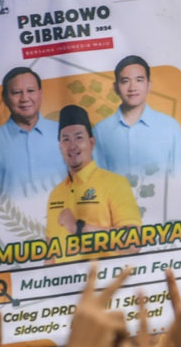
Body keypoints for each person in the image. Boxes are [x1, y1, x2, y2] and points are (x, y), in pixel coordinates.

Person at [46, 105, 142, 264]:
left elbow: (133, 242)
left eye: (78, 137)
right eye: (65, 139)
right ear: (60, 146)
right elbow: (51, 255)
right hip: (68, 286)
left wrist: (79, 228)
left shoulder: (115, 184)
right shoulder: (56, 194)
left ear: (91, 142)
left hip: (105, 284)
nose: (72, 145)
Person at [93, 55, 181, 182]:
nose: (132, 88)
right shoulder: (100, 131)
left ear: (149, 85)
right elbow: (97, 182)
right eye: (125, 81)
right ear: (115, 87)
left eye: (139, 80)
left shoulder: (170, 127)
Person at [0, 67, 67, 198]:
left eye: (30, 91)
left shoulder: (64, 133)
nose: (24, 98)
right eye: (16, 92)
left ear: (40, 93)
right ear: (5, 98)